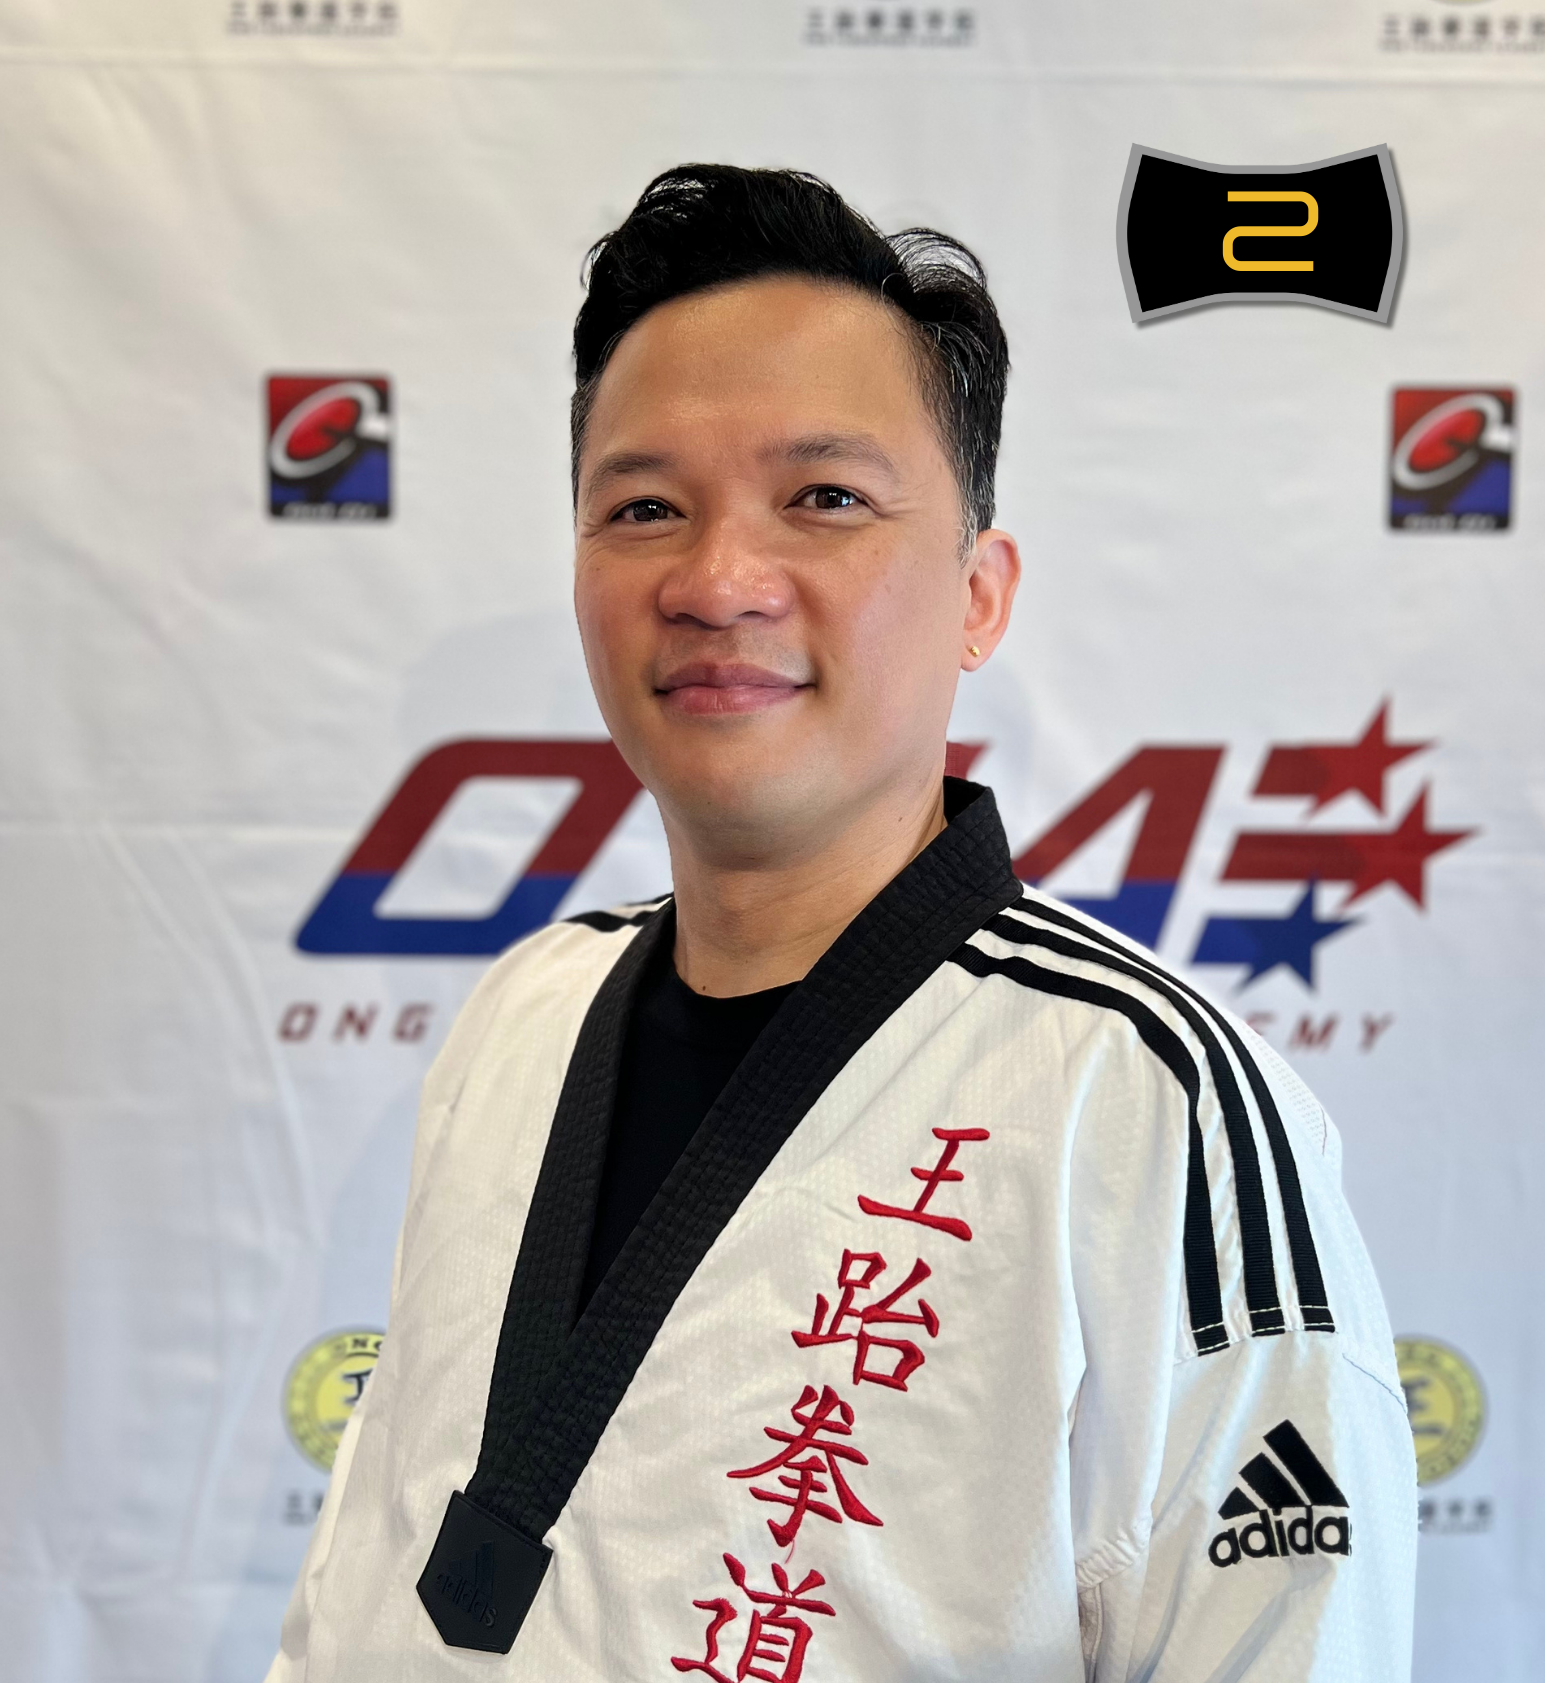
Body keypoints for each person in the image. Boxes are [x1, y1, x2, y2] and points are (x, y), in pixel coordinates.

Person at [266, 164, 1415, 1682]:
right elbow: (365, 1577)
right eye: (646, 505)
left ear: (980, 594)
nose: (718, 578)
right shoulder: (523, 1011)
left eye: (824, 498)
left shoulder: (1149, 1102)